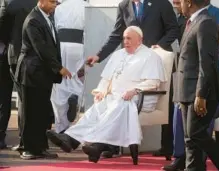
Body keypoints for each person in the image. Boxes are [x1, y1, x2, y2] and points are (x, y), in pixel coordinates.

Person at [46, 26, 167, 165]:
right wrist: (101, 91)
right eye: (124, 38)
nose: (125, 41)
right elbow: (107, 79)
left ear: (139, 40)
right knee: (97, 109)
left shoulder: (150, 56)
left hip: (140, 97)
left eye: (129, 38)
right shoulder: (119, 54)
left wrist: (134, 90)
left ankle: (97, 144)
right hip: (117, 96)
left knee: (120, 104)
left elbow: (153, 82)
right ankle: (70, 138)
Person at [87, 0, 179, 158]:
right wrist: (99, 55)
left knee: (167, 105)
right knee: (114, 98)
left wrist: (159, 46)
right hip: (132, 66)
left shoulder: (162, 3)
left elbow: (173, 29)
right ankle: (111, 146)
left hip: (156, 61)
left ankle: (167, 146)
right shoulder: (124, 6)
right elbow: (117, 35)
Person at [172, 0, 219, 170]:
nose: (179, 4)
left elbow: (207, 62)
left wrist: (200, 94)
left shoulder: (206, 23)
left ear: (189, 2)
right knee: (190, 138)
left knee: (195, 133)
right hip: (186, 91)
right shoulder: (192, 22)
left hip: (200, 92)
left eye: (181, 1)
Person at [14, 0, 72, 160]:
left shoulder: (47, 18)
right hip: (30, 72)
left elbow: (52, 45)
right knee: (29, 111)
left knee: (42, 112)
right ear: (42, 1)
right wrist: (59, 68)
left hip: (43, 74)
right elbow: (41, 48)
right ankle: (27, 148)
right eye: (52, 2)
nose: (55, 5)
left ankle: (40, 147)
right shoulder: (33, 19)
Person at [0, 0, 37, 149]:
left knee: (3, 96)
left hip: (10, 53)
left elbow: (2, 24)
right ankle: (26, 138)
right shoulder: (38, 2)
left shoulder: (8, 2)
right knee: (27, 98)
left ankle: (1, 136)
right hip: (32, 56)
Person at [51, 0, 87, 134]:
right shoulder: (87, 7)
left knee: (59, 83)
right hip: (78, 46)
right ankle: (75, 97)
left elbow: (53, 28)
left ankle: (62, 126)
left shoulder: (60, 8)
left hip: (60, 46)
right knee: (77, 78)